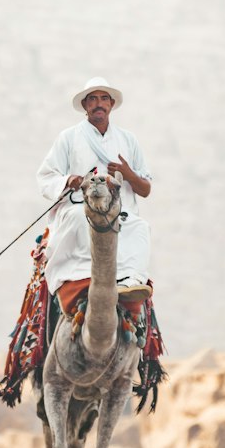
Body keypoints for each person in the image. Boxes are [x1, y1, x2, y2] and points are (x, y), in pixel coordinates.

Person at [37, 76, 152, 302]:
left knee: (140, 227)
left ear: (111, 104)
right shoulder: (68, 138)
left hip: (120, 212)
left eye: (103, 99)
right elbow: (46, 176)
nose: (98, 103)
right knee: (80, 220)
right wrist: (69, 180)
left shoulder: (129, 140)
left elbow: (146, 189)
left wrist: (128, 174)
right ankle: (79, 277)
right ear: (84, 105)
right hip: (81, 209)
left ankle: (131, 280)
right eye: (92, 99)